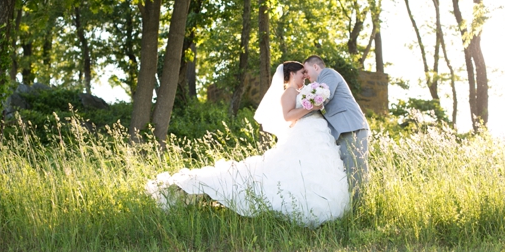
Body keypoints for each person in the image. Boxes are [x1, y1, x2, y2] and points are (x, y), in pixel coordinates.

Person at [146, 61, 349, 227]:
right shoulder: (288, 93)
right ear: (291, 74)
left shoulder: (304, 91)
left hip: (316, 133)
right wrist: (310, 107)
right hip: (305, 132)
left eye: (305, 73)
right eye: (301, 73)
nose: (304, 76)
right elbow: (288, 117)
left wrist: (313, 104)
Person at [302, 55, 370, 204]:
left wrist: (303, 106)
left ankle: (360, 208)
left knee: (356, 170)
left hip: (351, 126)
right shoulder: (318, 83)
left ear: (316, 67)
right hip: (341, 129)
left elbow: (325, 96)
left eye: (306, 71)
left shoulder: (328, 74)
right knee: (347, 170)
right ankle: (351, 207)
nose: (305, 76)